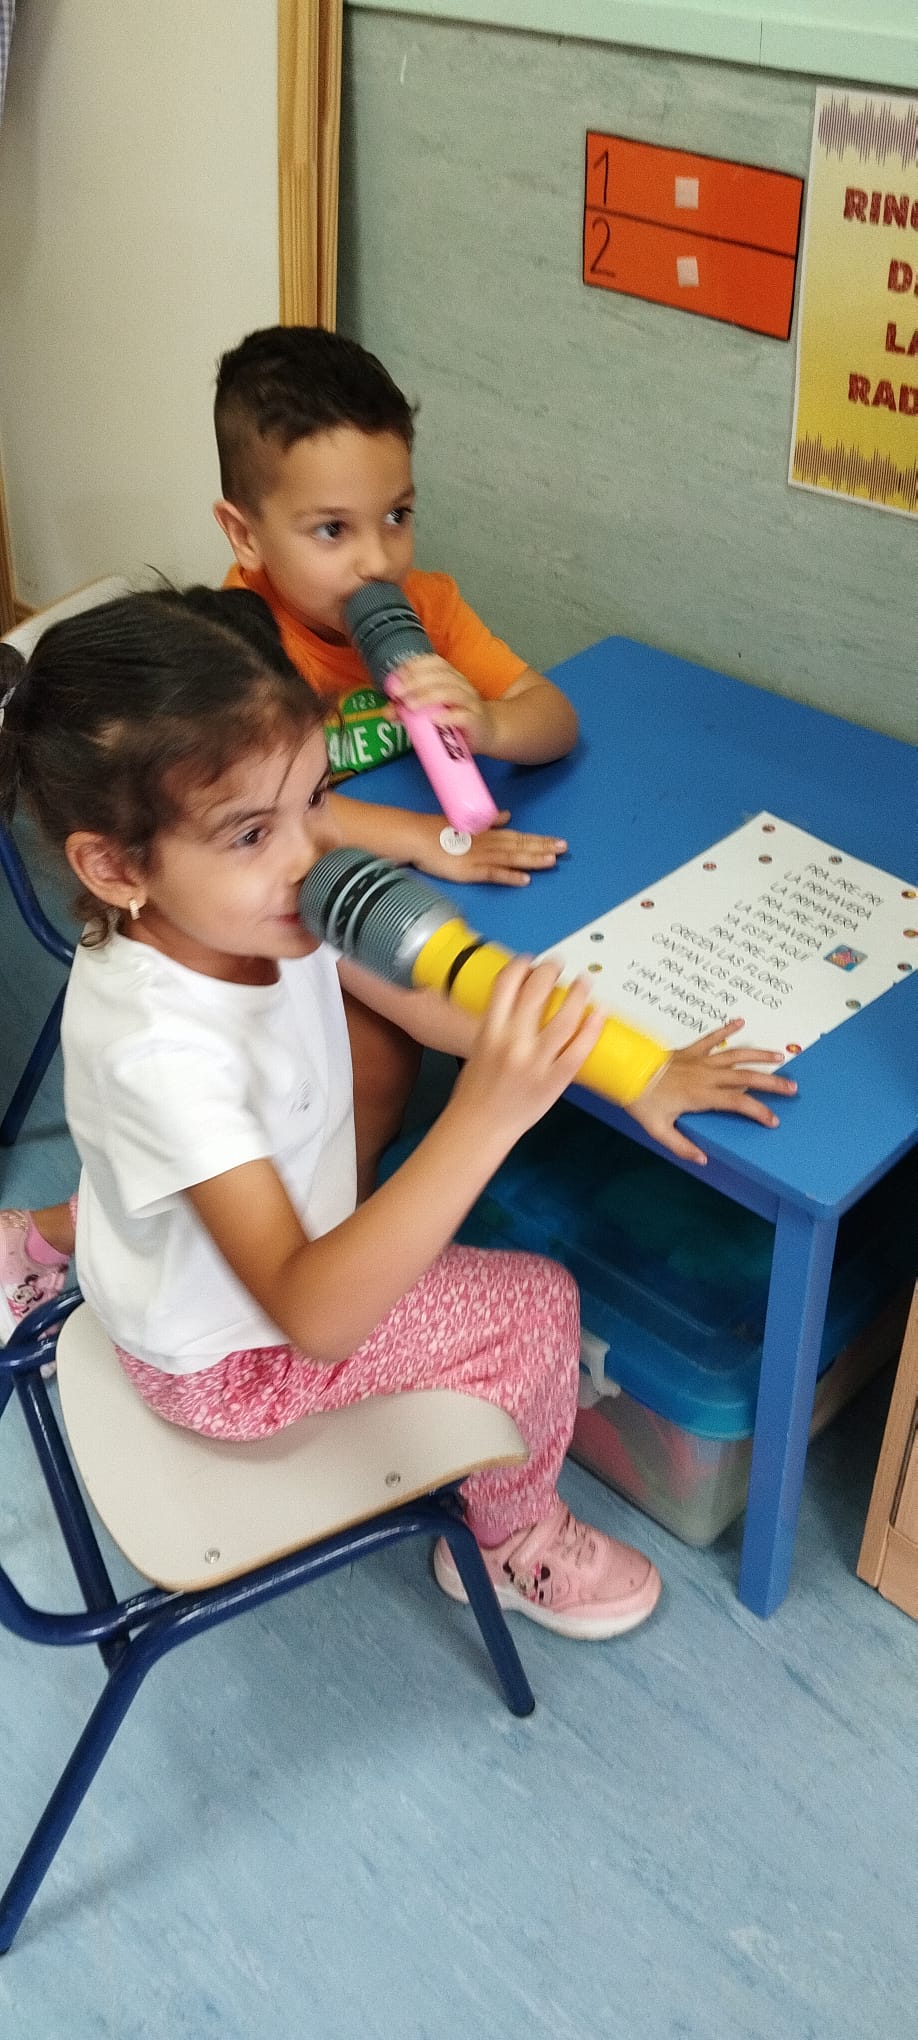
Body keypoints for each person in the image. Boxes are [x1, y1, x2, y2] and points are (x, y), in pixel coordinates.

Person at [0, 589, 797, 1636]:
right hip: (236, 1367)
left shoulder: (224, 918)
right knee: (539, 1307)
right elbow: (316, 1318)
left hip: (169, 1272)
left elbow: (424, 998)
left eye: (316, 799)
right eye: (251, 832)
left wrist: (635, 1071)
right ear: (114, 866)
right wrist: (484, 1116)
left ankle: (32, 1242)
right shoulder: (163, 1054)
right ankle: (509, 1542)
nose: (309, 856)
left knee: (260, 1183)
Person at [214, 325, 580, 1190]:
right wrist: (427, 838)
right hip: (271, 898)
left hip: (379, 880)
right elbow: (274, 817)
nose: (378, 560)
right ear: (246, 536)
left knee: (421, 1042)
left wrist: (489, 723)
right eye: (331, 530)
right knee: (375, 1072)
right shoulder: (237, 647)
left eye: (397, 517)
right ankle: (326, 1231)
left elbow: (557, 721)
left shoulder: (427, 607)